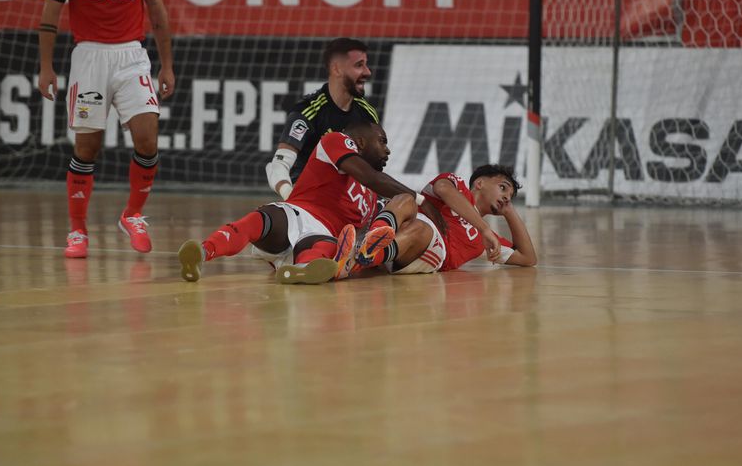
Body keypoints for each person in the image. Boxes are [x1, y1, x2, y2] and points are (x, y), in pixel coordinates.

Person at [38, 0, 175, 259]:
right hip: (89, 58)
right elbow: (50, 14)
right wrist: (46, 67)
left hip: (132, 57)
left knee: (147, 139)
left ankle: (133, 215)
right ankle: (78, 230)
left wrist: (166, 64)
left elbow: (156, 8)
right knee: (87, 148)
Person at [178, 122, 440, 285]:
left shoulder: (374, 199)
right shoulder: (335, 140)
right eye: (382, 141)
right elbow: (373, 177)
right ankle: (202, 252)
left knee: (319, 251)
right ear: (360, 141)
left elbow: (371, 233)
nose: (388, 150)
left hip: (323, 235)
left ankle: (300, 271)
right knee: (261, 219)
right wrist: (419, 199)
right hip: (298, 212)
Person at [338, 164, 537, 277]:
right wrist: (484, 228)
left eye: (510, 197)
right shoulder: (456, 185)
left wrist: (510, 211)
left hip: (428, 253)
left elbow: (528, 258)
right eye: (503, 188)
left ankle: (357, 260)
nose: (506, 197)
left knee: (421, 228)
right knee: (406, 198)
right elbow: (442, 188)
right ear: (480, 182)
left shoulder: (487, 239)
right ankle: (366, 247)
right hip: (401, 231)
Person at [265, 38, 378, 200]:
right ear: (337, 69)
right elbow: (277, 166)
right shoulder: (308, 111)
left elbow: (373, 171)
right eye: (359, 65)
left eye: (366, 65)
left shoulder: (367, 113)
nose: (368, 72)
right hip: (311, 199)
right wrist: (291, 198)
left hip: (351, 200)